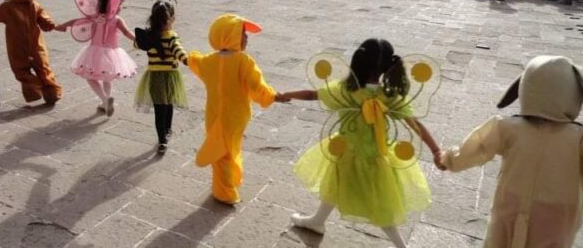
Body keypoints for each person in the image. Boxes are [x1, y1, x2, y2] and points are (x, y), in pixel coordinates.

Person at [280, 39, 441, 248]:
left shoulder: (345, 90)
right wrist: (435, 150)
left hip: (347, 151)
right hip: (377, 155)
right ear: (388, 67)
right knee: (340, 185)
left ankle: (401, 246)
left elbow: (312, 95)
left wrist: (286, 95)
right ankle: (317, 221)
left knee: (373, 202)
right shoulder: (389, 96)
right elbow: (415, 124)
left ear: (357, 61)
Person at [440, 56, 583, 248]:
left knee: (500, 240)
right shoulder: (578, 137)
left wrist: (450, 160)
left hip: (510, 204)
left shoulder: (507, 126)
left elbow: (478, 145)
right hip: (558, 214)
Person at [187, 14, 287, 204]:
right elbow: (257, 87)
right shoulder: (244, 62)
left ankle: (224, 189)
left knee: (222, 155)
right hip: (235, 118)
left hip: (214, 116)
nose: (247, 38)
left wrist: (184, 55)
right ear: (230, 37)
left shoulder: (209, 61)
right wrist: (273, 96)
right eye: (243, 34)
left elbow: (195, 62)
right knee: (228, 150)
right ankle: (226, 188)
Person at [55, 0, 137, 116]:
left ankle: (105, 100)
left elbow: (76, 21)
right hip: (112, 53)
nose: (120, 7)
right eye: (119, 4)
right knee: (107, 77)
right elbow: (127, 32)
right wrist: (139, 40)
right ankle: (106, 100)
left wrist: (62, 25)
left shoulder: (94, 17)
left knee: (91, 78)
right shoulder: (117, 19)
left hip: (94, 52)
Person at [0, 0, 62, 105]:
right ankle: (52, 92)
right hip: (36, 44)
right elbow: (45, 20)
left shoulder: (7, 7)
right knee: (44, 69)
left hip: (16, 45)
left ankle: (34, 87)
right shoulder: (35, 6)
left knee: (20, 71)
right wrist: (51, 24)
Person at [133, 0, 189, 155]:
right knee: (169, 103)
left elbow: (136, 44)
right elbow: (179, 51)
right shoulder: (171, 36)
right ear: (170, 19)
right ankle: (167, 129)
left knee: (159, 108)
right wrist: (188, 61)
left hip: (154, 77)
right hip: (170, 77)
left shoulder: (149, 36)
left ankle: (162, 140)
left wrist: (144, 35)